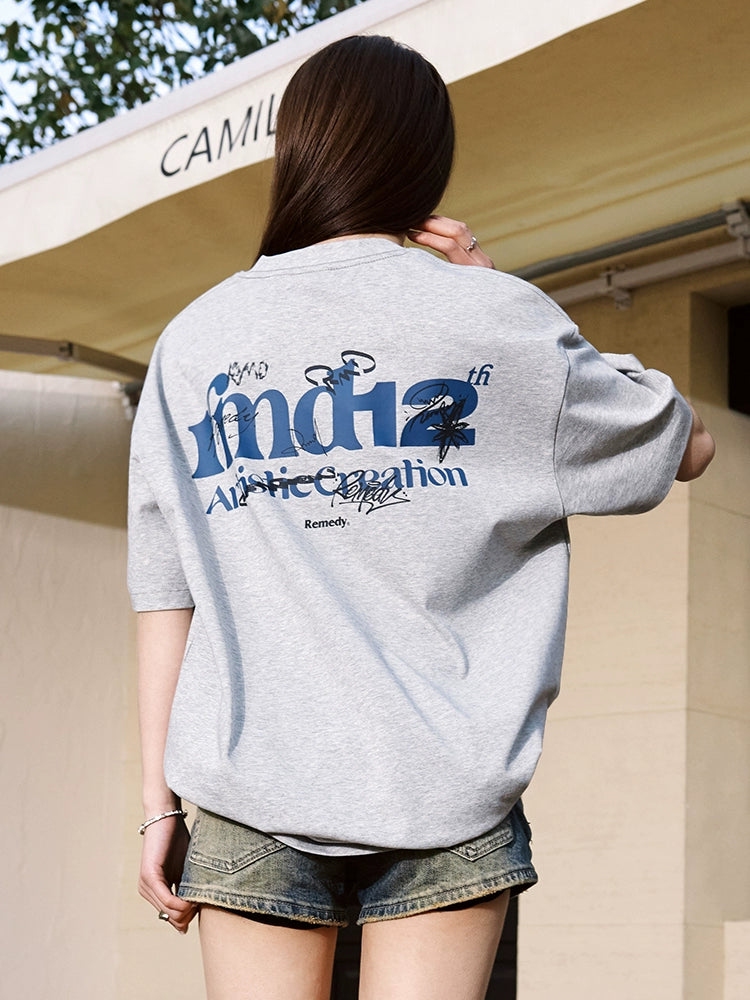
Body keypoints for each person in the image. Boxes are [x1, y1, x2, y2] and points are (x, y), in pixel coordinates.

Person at [128, 34, 715, 1000]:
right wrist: (506, 298)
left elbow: (164, 591)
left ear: (298, 149)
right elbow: (687, 444)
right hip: (449, 789)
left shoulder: (193, 340)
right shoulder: (498, 318)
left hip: (249, 788)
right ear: (425, 160)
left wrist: (158, 807)